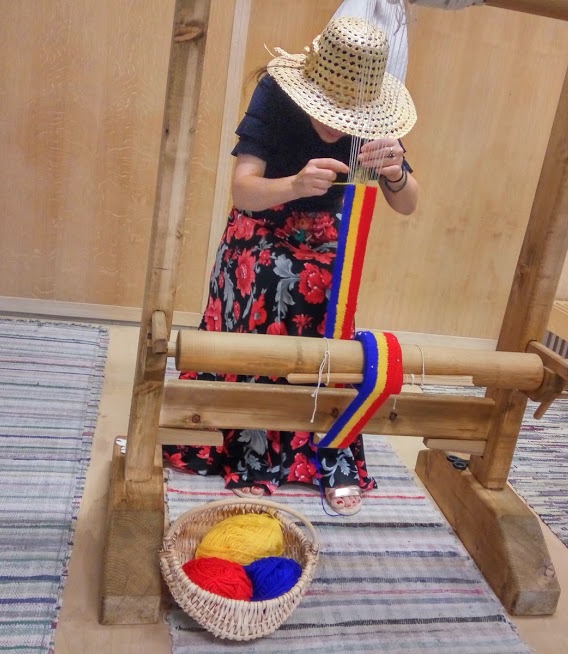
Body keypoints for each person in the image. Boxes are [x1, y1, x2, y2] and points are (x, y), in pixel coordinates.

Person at [164, 16, 419, 515]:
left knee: (333, 302)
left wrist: (394, 174)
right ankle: (254, 449)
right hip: (261, 228)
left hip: (325, 240)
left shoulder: (374, 117)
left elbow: (408, 203)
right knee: (278, 282)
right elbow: (243, 191)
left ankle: (331, 448)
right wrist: (296, 185)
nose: (339, 120)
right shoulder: (276, 96)